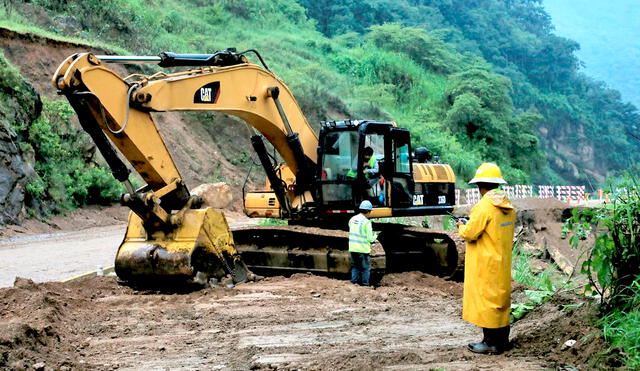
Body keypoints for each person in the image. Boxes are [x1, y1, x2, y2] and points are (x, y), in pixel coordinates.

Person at [456, 162, 516, 355]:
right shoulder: (508, 205)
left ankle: (489, 342)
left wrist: (461, 225)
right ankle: (502, 341)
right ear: (497, 184)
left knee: (486, 302)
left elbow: (471, 233)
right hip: (502, 262)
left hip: (485, 263)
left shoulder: (483, 206)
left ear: (480, 185)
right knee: (499, 301)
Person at [348, 200, 376, 286]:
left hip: (353, 248)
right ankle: (365, 285)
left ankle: (354, 282)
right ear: (368, 211)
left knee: (355, 267)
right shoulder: (366, 222)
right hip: (362, 249)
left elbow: (351, 227)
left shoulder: (352, 219)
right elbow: (370, 238)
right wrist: (375, 236)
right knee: (365, 268)